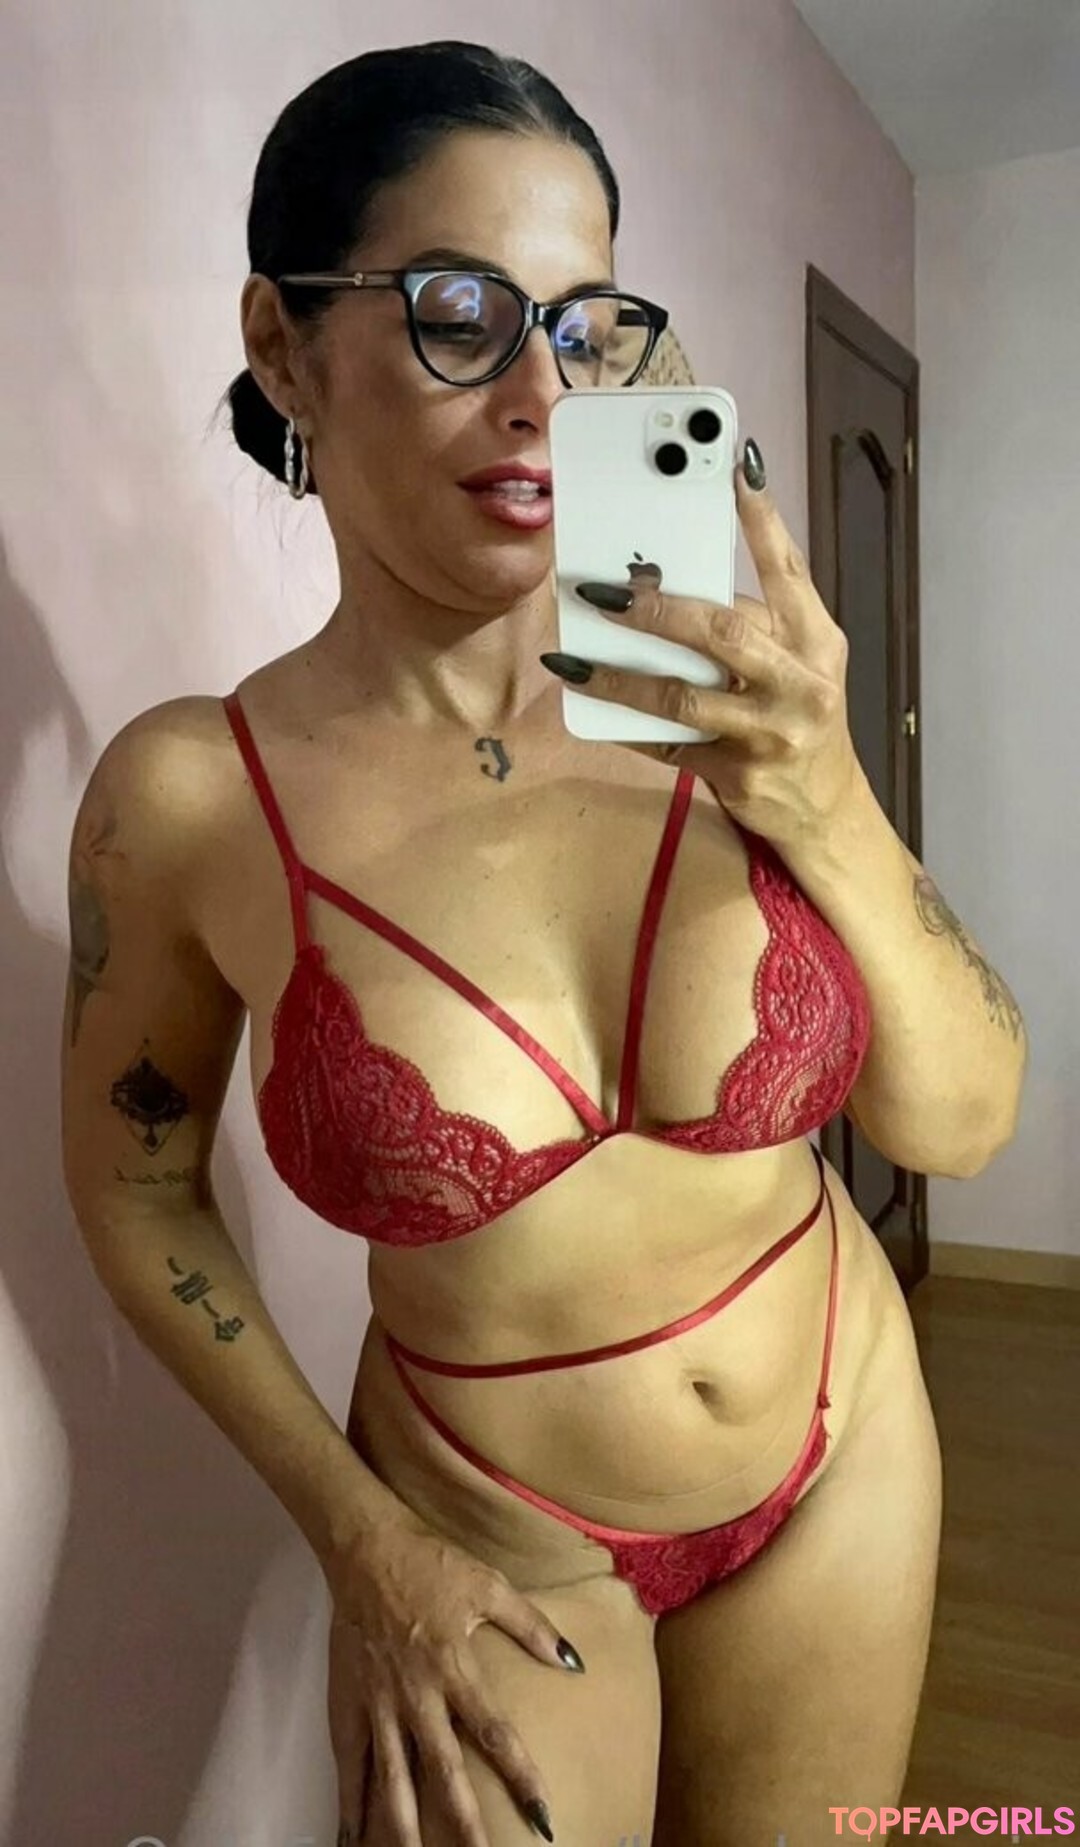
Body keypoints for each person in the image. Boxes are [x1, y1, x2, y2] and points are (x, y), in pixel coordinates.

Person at [60, 40, 1028, 1847]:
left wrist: (827, 794)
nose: (538, 397)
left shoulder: (725, 697)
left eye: (582, 329)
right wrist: (360, 1538)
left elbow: (962, 1125)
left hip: (844, 1442)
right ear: (284, 345)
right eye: (458, 314)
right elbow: (136, 1189)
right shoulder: (191, 800)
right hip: (487, 1524)